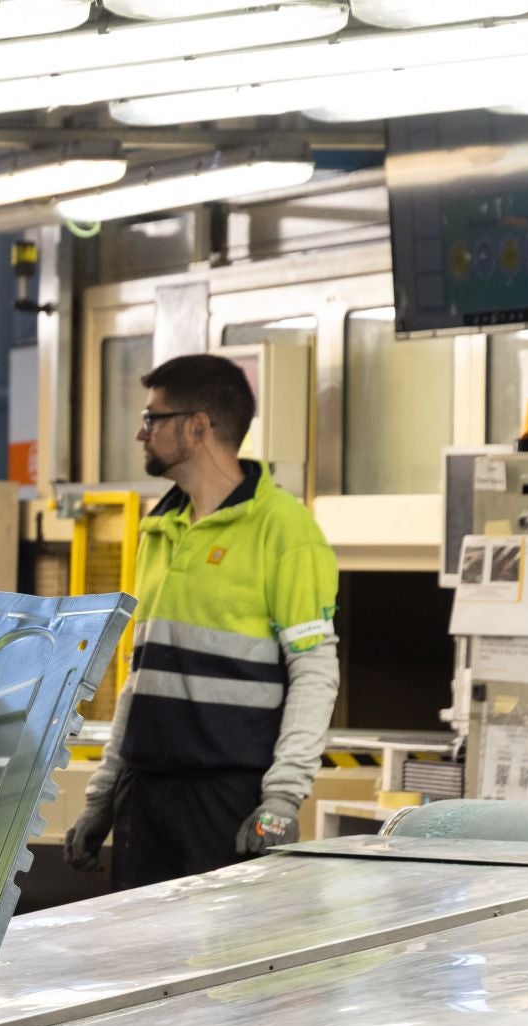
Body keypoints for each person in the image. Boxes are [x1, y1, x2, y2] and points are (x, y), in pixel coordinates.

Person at [64, 353, 339, 889]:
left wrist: (282, 798)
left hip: (227, 800)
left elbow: (315, 671)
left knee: (219, 945)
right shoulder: (160, 527)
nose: (141, 434)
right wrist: (104, 794)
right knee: (137, 944)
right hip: (143, 795)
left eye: (152, 418)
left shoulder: (284, 530)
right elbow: (140, 677)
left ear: (197, 427)